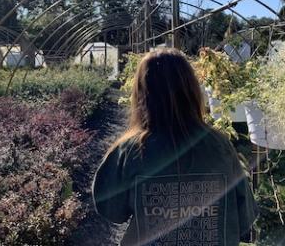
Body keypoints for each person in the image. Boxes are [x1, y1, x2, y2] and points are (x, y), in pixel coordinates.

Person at [92, 48, 258, 246]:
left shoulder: (129, 150)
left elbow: (111, 210)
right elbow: (244, 216)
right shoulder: (220, 144)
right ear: (192, 91)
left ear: (142, 94)